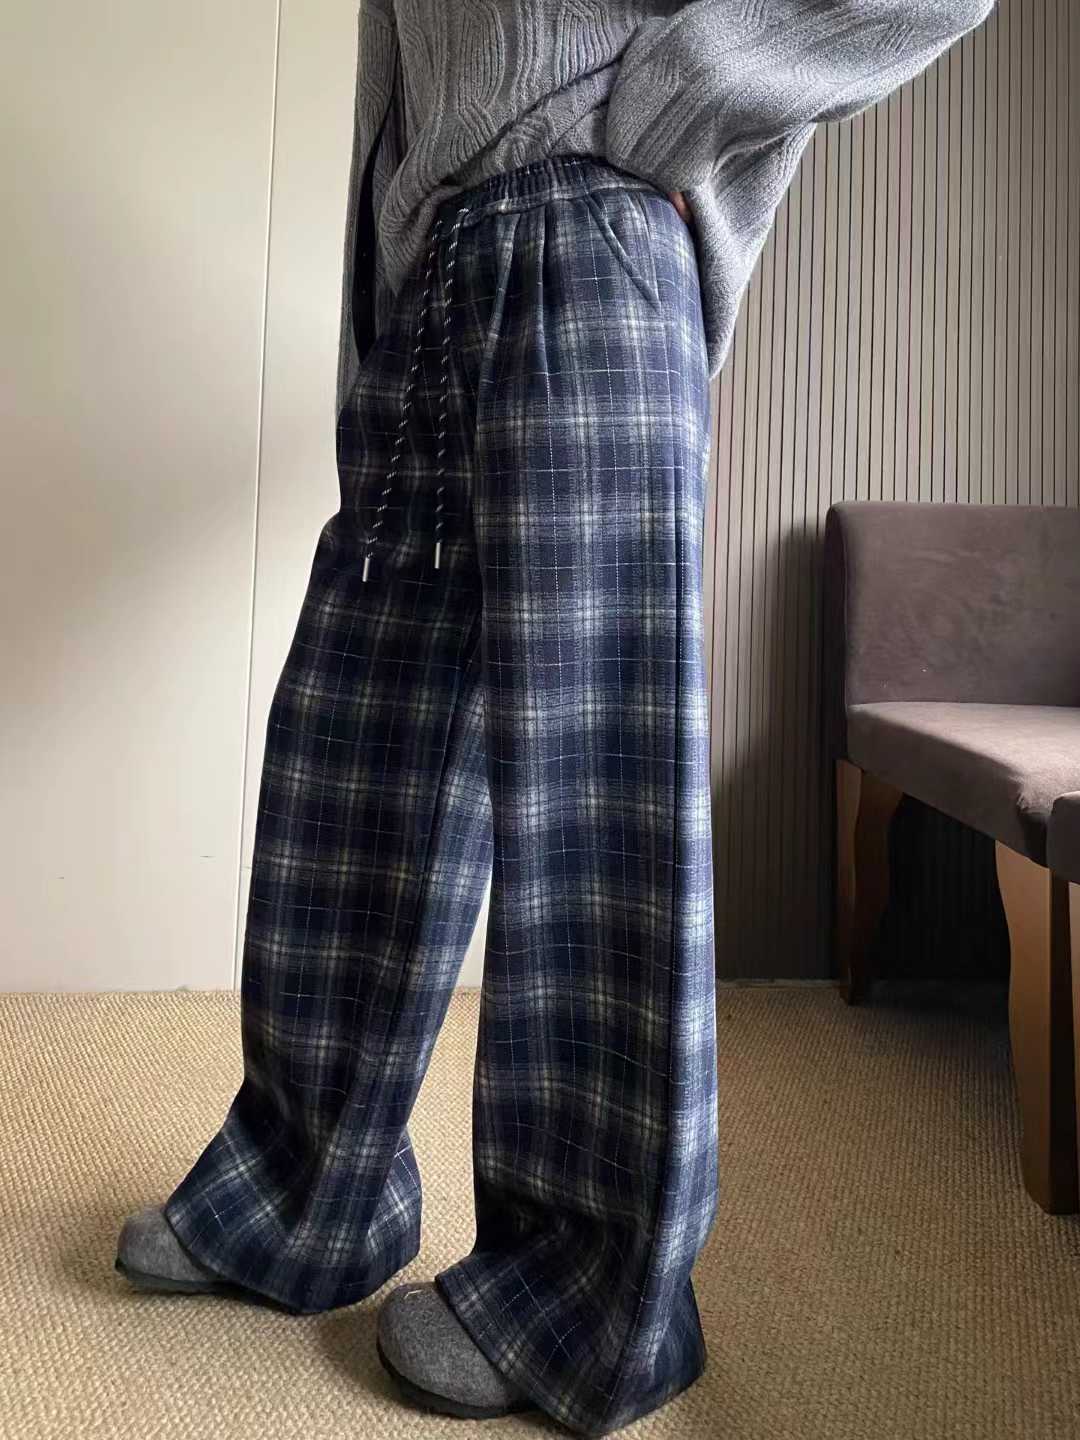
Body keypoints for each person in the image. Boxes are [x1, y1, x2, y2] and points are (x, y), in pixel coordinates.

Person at [115, 2, 996, 1435]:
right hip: (433, 282)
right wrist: (385, 286)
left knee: (595, 798)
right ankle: (305, 1194)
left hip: (592, 234)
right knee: (354, 751)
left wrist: (683, 91)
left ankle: (588, 1295)